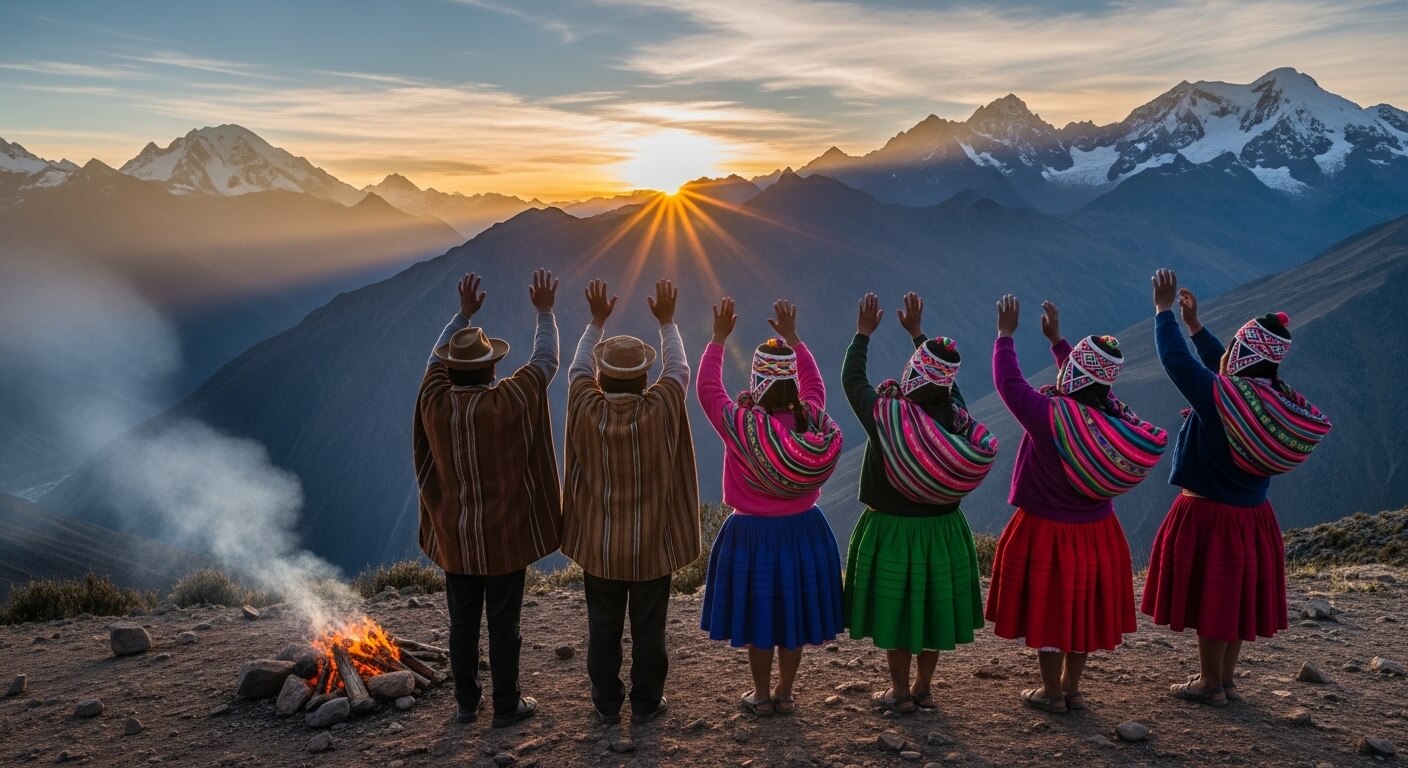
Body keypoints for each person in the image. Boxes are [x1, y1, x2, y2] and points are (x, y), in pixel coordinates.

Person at [1142, 269, 1331, 707]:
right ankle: (1224, 680)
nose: (1227, 355)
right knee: (1230, 598)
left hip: (1211, 512)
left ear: (1243, 354)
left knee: (1214, 600)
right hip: (1253, 515)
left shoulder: (1221, 401)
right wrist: (1197, 327)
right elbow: (1221, 370)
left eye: (1235, 350)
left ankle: (1209, 683)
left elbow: (1177, 363)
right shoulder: (1270, 397)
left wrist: (1163, 312)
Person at [985, 295, 1167, 713]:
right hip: (1098, 531)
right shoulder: (1113, 417)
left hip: (1048, 529)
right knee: (1080, 610)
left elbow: (1009, 384)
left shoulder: (1049, 416)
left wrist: (1005, 336)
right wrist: (1058, 342)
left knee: (1051, 612)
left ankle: (1049, 692)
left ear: (1074, 376)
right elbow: (1092, 383)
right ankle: (1071, 687)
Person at [413, 269, 560, 728]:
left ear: (452, 370)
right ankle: (506, 704)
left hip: (455, 538)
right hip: (504, 538)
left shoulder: (435, 403)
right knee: (504, 624)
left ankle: (464, 704)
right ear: (494, 369)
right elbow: (546, 361)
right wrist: (545, 312)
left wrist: (462, 315)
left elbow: (431, 363)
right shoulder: (508, 401)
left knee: (461, 624)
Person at [842, 292, 997, 714]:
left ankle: (898, 691)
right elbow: (952, 388)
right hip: (944, 530)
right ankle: (923, 687)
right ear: (947, 381)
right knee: (929, 610)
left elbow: (852, 381)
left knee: (897, 612)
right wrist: (919, 334)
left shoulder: (888, 416)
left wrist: (862, 335)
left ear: (912, 375)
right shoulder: (957, 418)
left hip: (892, 529)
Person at [560, 278, 700, 726]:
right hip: (651, 550)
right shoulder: (659, 408)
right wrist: (667, 322)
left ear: (602, 377)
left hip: (600, 549)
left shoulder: (586, 406)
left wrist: (595, 323)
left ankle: (605, 705)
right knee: (649, 631)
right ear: (645, 377)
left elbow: (575, 369)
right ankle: (645, 703)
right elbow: (679, 369)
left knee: (603, 629)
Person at [697, 297, 846, 716]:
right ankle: (785, 691)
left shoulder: (740, 425)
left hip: (753, 535)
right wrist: (795, 338)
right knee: (791, 616)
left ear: (757, 379)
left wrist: (718, 339)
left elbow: (708, 389)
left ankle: (761, 695)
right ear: (791, 384)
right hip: (804, 530)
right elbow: (815, 385)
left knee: (762, 619)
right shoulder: (811, 420)